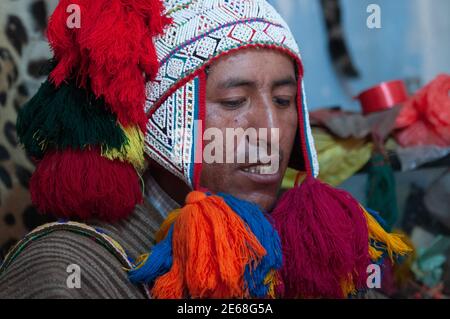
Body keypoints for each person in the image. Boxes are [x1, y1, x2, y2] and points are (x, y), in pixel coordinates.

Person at [0, 0, 410, 299]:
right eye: (234, 102)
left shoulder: (311, 249)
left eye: (284, 101)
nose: (270, 131)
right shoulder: (71, 270)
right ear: (163, 122)